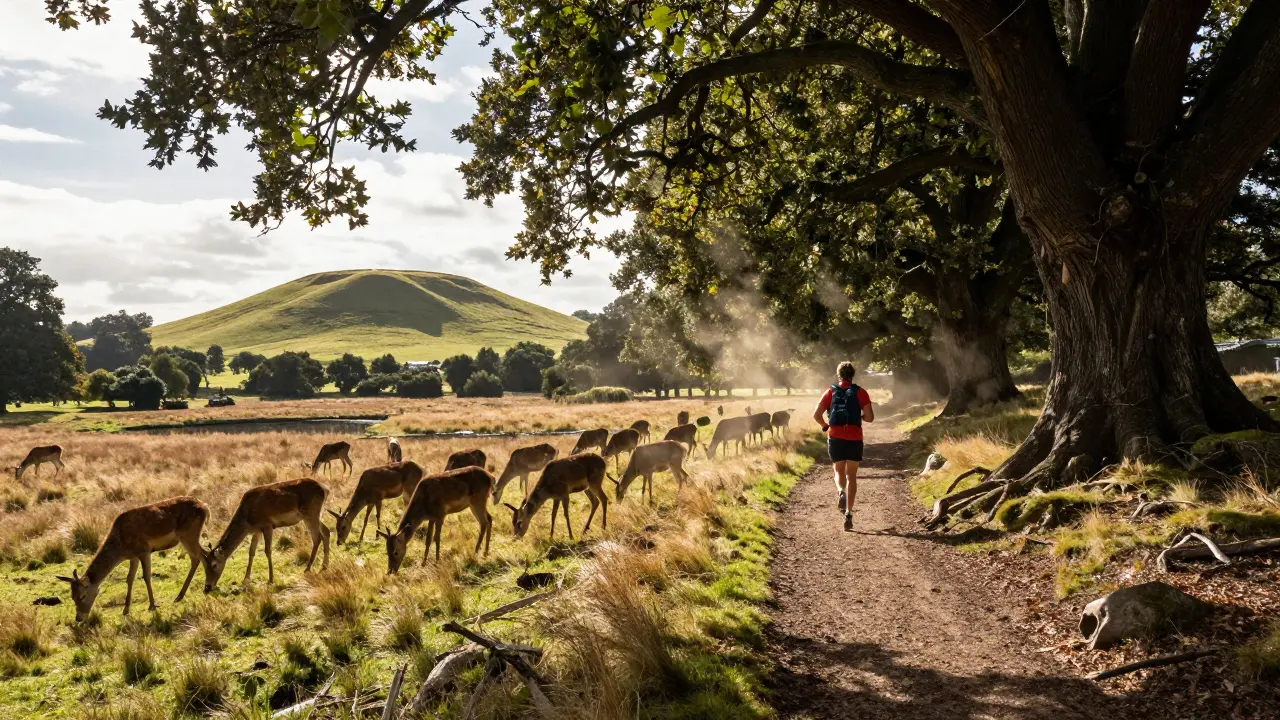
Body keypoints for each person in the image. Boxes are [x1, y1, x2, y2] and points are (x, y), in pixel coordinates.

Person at [813, 361, 874, 531]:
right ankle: (848, 513)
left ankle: (841, 492)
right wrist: (859, 417)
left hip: (835, 436)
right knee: (851, 476)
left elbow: (816, 415)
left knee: (838, 471)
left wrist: (825, 426)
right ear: (852, 374)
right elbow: (869, 417)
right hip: (854, 437)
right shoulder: (860, 392)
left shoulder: (830, 392)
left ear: (839, 375)